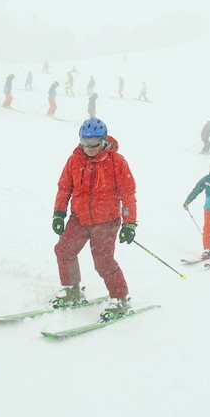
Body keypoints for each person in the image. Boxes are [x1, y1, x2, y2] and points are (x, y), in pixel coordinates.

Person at [50, 118, 138, 321]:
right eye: (84, 141)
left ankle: (120, 300)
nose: (88, 147)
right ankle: (72, 290)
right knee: (64, 250)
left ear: (104, 139)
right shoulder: (74, 160)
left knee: (103, 262)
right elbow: (64, 188)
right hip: (79, 218)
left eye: (94, 142)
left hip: (106, 221)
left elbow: (128, 194)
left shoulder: (117, 162)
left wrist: (130, 223)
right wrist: (59, 213)